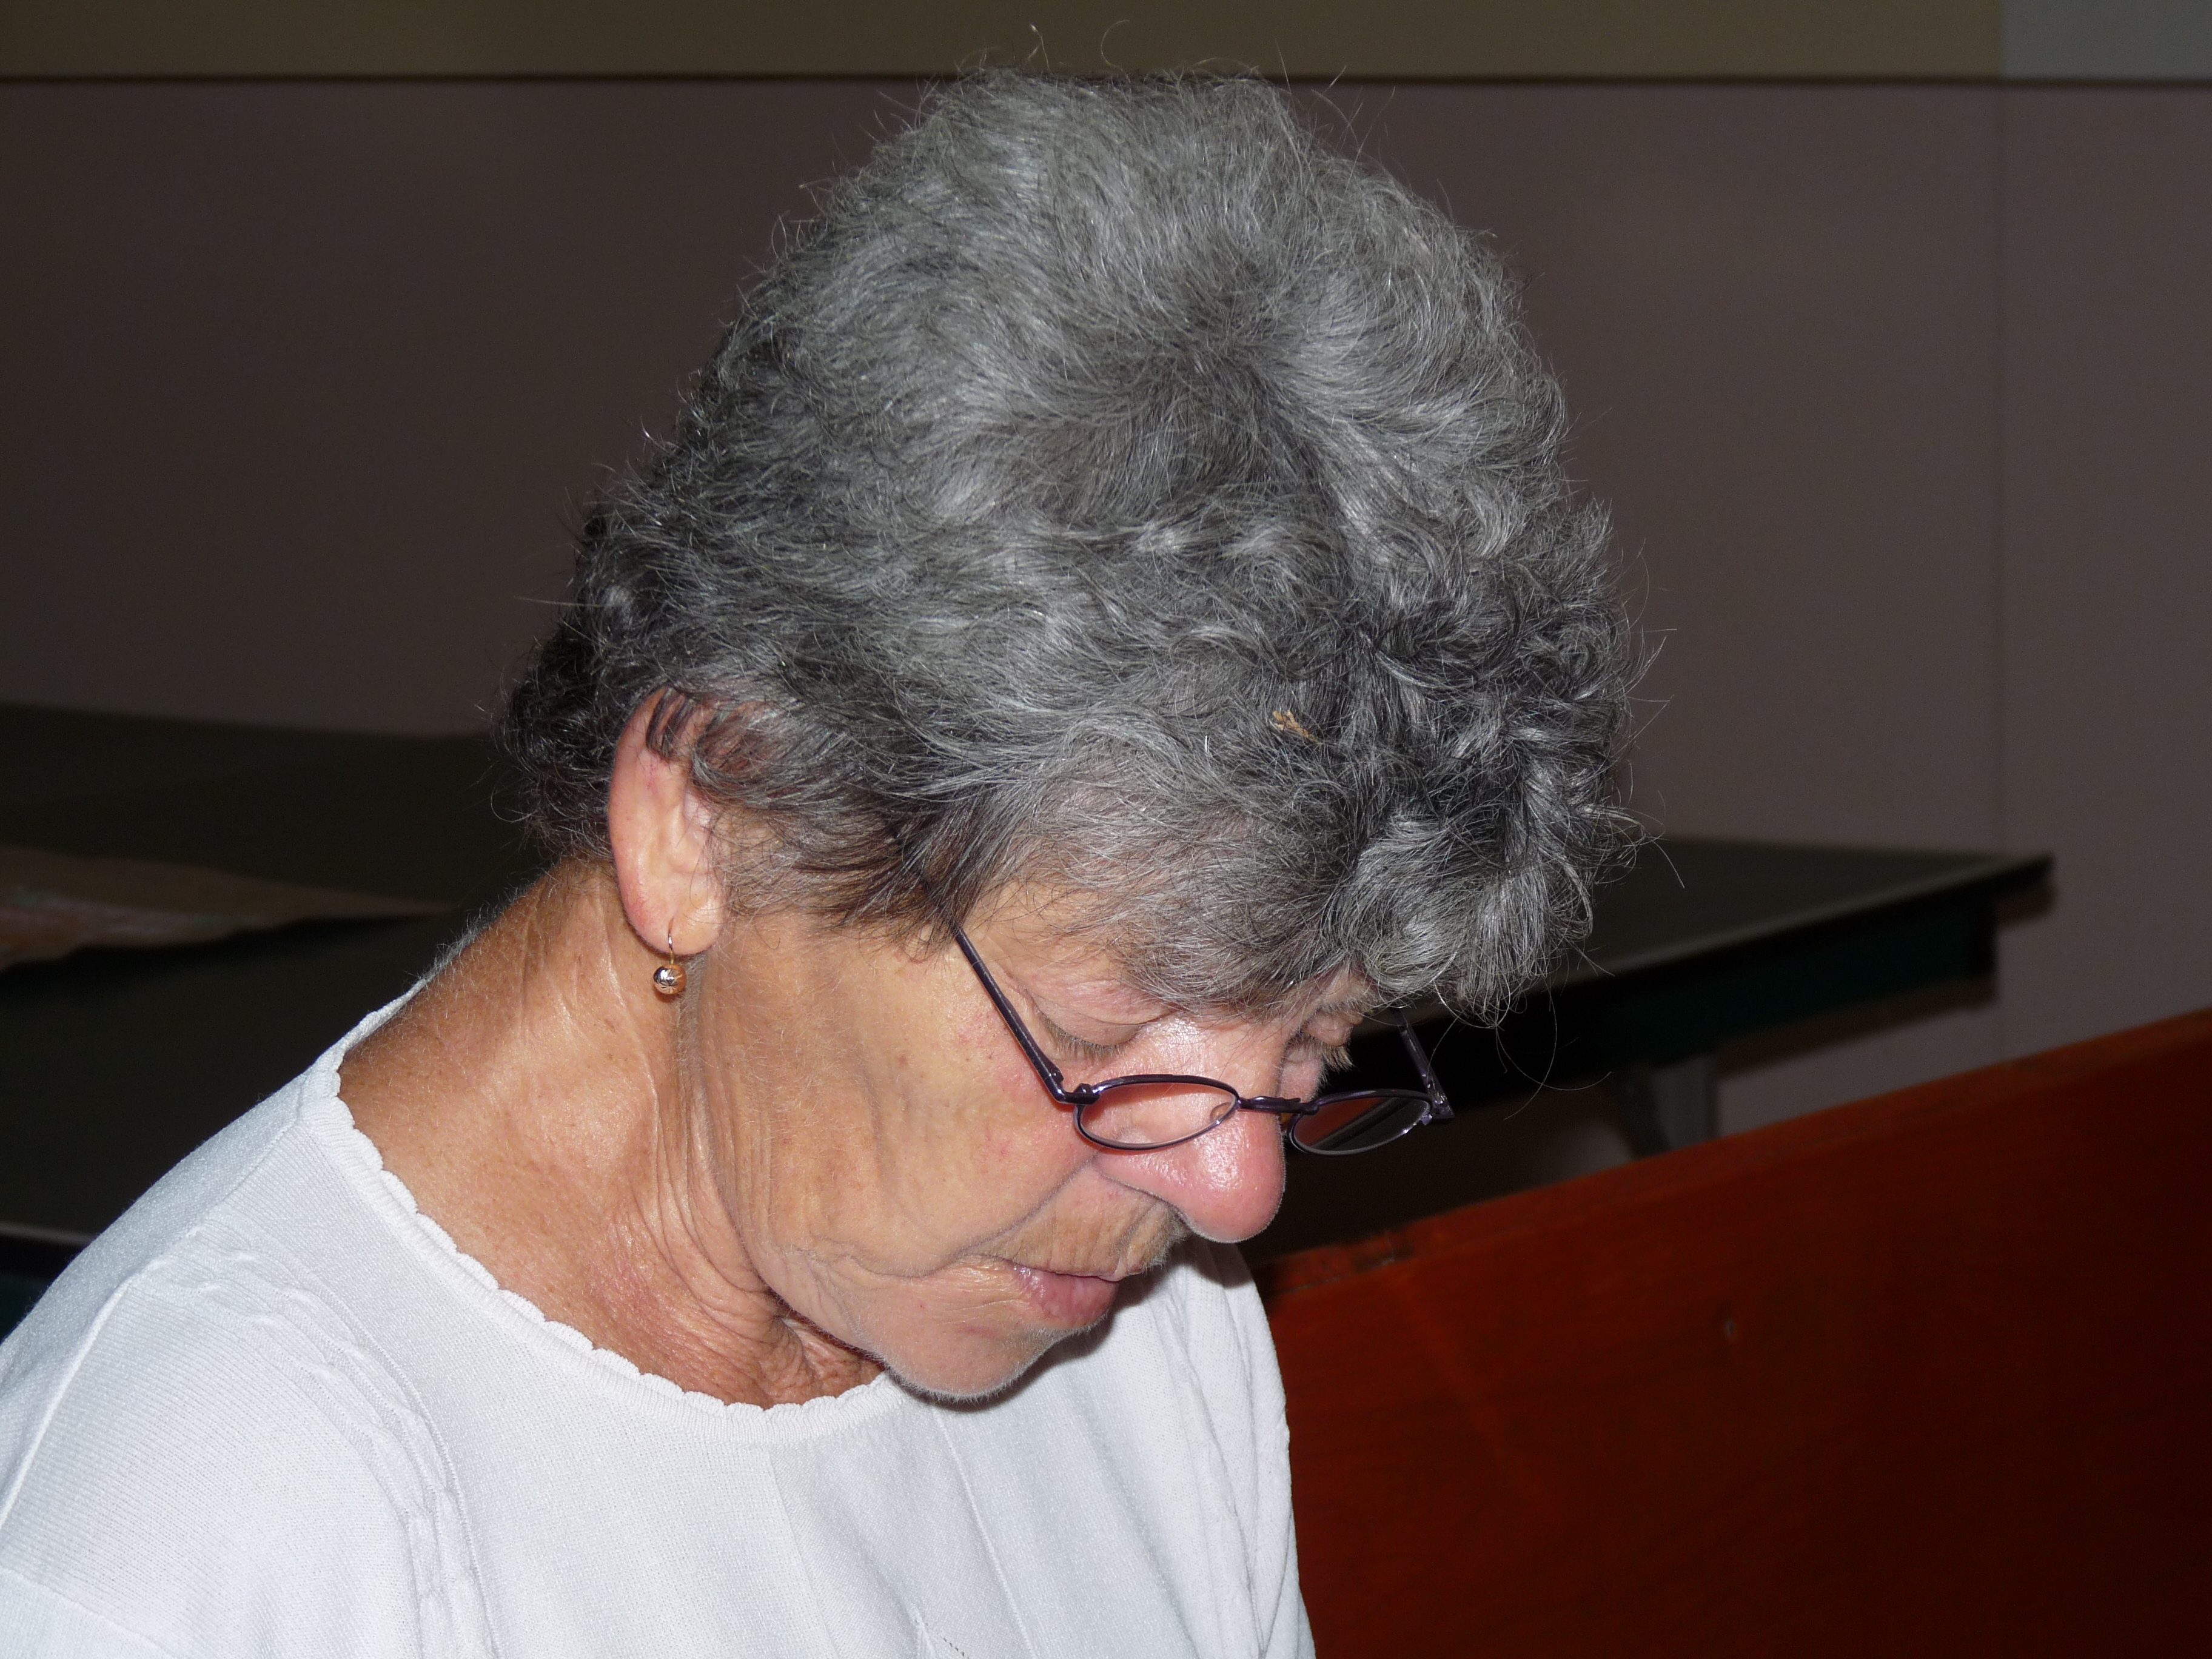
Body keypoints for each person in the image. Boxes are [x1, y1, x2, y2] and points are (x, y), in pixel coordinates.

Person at [0, 72, 1629, 1656]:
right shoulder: (200, 1537)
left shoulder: (1134, 1310)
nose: (1234, 1193)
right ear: (711, 816)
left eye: (1311, 1049)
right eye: (1101, 1040)